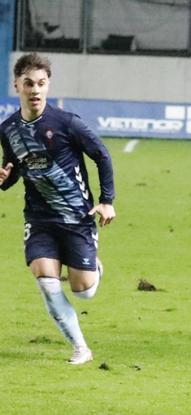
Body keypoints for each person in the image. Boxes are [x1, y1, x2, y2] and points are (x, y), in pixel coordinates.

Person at [0, 53, 115, 365]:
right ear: (16, 86)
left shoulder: (66, 123)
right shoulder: (8, 128)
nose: (35, 90)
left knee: (83, 291)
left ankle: (94, 270)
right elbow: (13, 171)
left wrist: (107, 201)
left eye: (41, 83)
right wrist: (3, 179)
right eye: (28, 84)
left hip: (77, 217)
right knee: (47, 281)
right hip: (38, 218)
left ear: (48, 85)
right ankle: (80, 347)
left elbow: (102, 155)